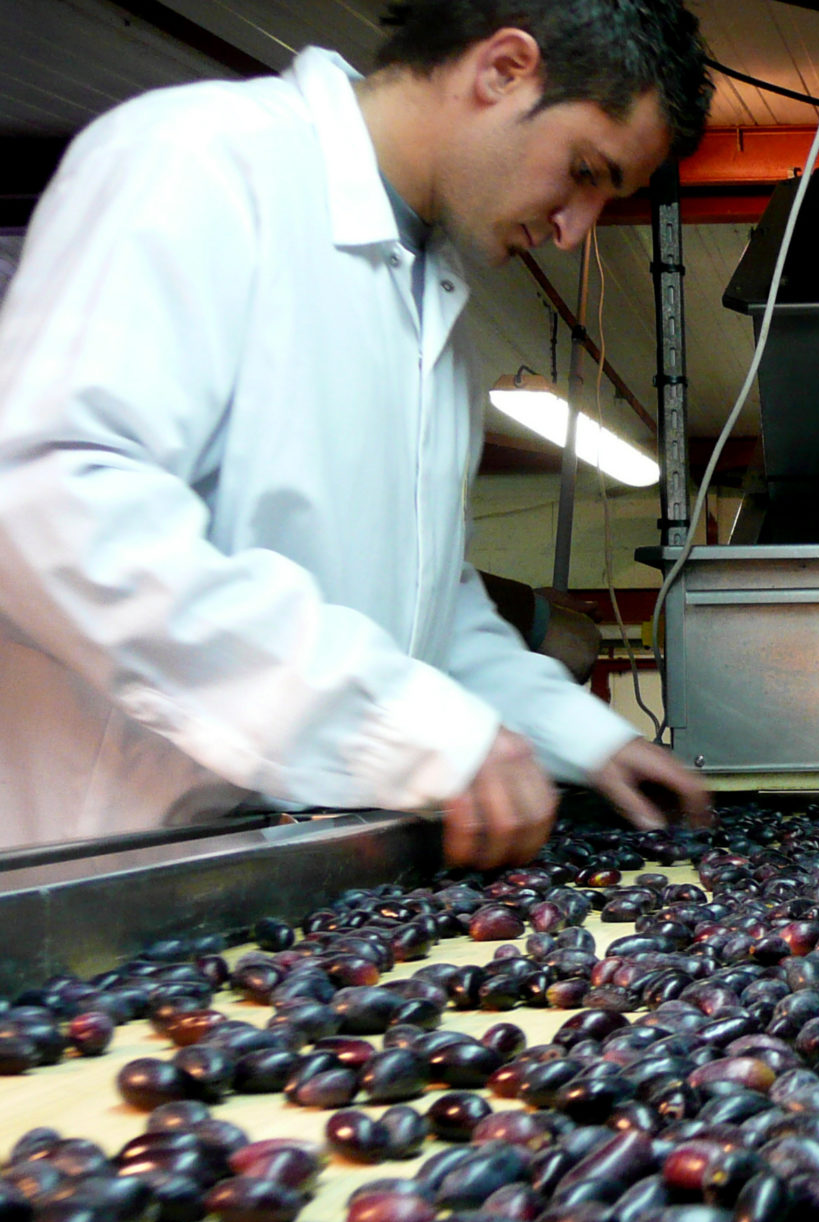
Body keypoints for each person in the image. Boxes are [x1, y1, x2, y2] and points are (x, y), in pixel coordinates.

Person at [0, 0, 714, 868]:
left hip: (290, 870)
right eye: (585, 170)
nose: (574, 229)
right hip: (113, 862)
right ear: (502, 70)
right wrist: (396, 727)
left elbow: (424, 609)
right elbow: (57, 507)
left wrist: (582, 737)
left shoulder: (435, 304)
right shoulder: (199, 163)